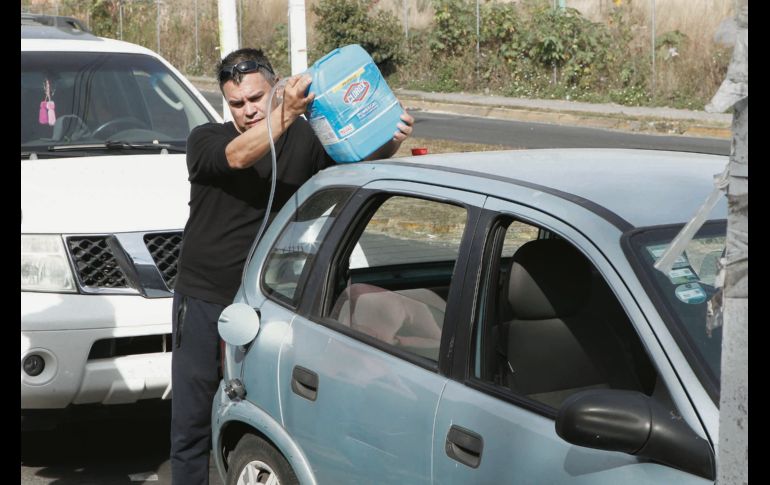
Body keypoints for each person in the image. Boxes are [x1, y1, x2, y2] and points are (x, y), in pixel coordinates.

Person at [169, 47, 414, 484]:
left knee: (271, 408)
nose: (247, 110)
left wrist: (390, 139)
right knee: (192, 421)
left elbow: (353, 165)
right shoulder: (206, 140)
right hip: (207, 296)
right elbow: (239, 156)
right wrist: (281, 114)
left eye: (256, 98)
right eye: (237, 103)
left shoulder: (305, 139)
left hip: (273, 299)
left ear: (276, 86)